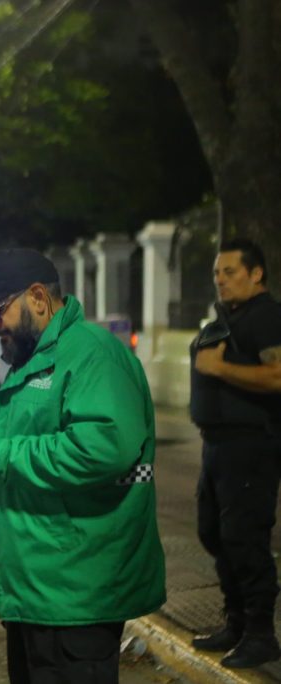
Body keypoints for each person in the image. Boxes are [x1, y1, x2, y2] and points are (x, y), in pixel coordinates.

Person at [0, 248, 165, 684]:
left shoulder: (92, 355)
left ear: (38, 298)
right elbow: (26, 442)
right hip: (38, 588)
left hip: (77, 592)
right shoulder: (34, 359)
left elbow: (100, 450)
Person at [189, 238, 281, 669]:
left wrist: (220, 368)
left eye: (230, 272)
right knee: (213, 531)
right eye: (216, 273)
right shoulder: (229, 317)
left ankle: (261, 633)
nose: (220, 280)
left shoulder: (267, 317)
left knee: (245, 538)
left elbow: (278, 375)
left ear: (256, 273)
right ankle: (237, 622)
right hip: (217, 446)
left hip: (251, 446)